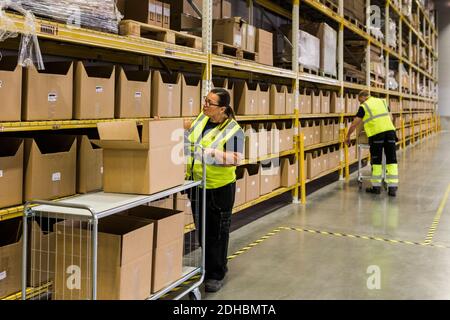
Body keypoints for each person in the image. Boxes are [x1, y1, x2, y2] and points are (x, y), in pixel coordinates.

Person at [185, 88, 244, 292]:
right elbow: (188, 127)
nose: (205, 105)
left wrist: (213, 153)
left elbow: (237, 159)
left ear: (223, 109)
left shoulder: (234, 129)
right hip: (197, 185)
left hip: (219, 189)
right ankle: (210, 266)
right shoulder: (203, 118)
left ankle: (216, 273)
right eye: (205, 100)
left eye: (210, 103)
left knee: (217, 233)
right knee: (202, 230)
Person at [346, 90, 399, 197]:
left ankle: (376, 187)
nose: (360, 103)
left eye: (360, 100)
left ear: (364, 97)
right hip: (390, 133)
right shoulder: (382, 101)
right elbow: (391, 116)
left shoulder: (364, 106)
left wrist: (347, 136)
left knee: (376, 161)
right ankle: (392, 188)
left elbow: (355, 122)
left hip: (377, 135)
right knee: (391, 159)